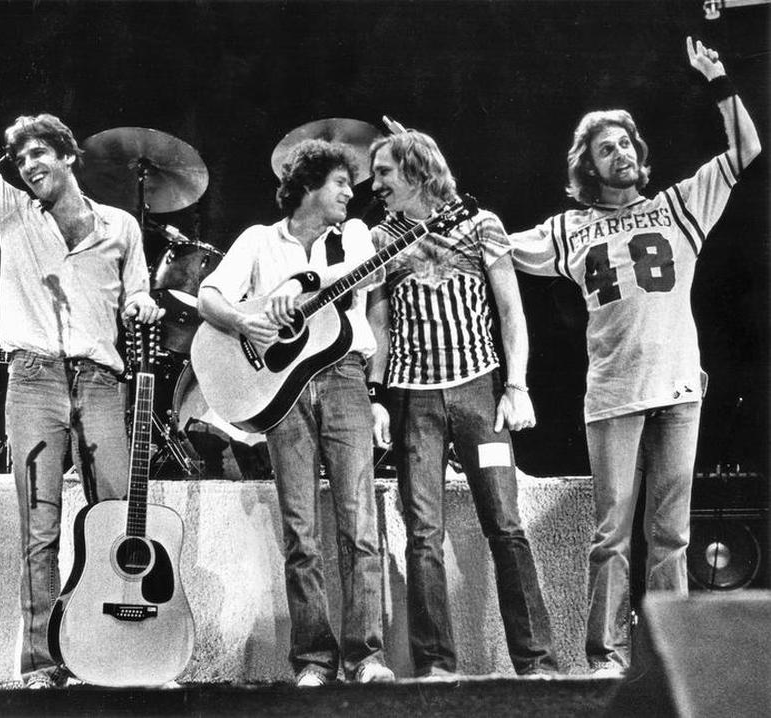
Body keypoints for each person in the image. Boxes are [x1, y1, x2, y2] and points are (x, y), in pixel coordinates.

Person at [0, 15, 162, 688]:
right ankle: (44, 665)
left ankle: (118, 655)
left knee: (114, 519)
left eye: (39, 154)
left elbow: (139, 297)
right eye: (20, 160)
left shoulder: (123, 228)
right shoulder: (12, 213)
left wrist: (141, 307)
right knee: (40, 527)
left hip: (104, 380)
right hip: (34, 380)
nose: (28, 165)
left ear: (68, 155)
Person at [508, 38, 761, 675]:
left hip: (678, 389)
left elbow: (746, 151)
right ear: (587, 166)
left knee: (671, 534)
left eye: (626, 143)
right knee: (610, 535)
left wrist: (720, 80)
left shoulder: (678, 206)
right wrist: (438, 199)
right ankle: (606, 656)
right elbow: (494, 247)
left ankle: (670, 658)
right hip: (614, 394)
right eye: (606, 147)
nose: (621, 153)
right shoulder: (565, 229)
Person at [197, 139, 395, 686]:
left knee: (359, 526)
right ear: (308, 185)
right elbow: (210, 295)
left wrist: (297, 288)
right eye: (339, 184)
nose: (349, 193)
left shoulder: (352, 235)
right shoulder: (260, 240)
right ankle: (312, 660)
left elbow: (364, 272)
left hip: (344, 380)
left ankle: (367, 657)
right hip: (281, 391)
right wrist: (244, 322)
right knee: (300, 531)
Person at [367, 130, 559, 678]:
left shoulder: (481, 224)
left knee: (505, 523)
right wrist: (377, 396)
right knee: (423, 535)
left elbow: (511, 312)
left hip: (480, 390)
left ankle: (536, 662)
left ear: (418, 169)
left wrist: (517, 385)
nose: (375, 184)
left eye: (384, 172)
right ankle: (435, 666)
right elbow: (380, 323)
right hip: (412, 397)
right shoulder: (383, 238)